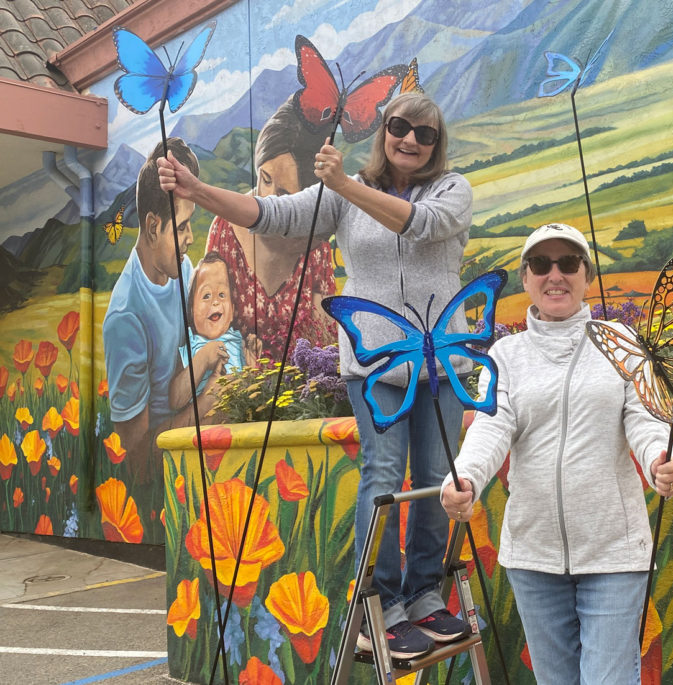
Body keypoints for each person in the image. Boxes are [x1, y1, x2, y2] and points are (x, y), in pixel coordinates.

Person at [157, 92, 473, 659]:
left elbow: (420, 227)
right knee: (383, 479)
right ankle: (384, 602)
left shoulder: (452, 190)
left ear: (436, 144)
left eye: (424, 134)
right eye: (400, 126)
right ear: (383, 131)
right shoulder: (338, 194)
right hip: (376, 363)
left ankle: (426, 595)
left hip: (442, 362)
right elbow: (272, 214)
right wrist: (199, 192)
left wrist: (346, 186)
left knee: (432, 478)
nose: (410, 140)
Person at [440, 223, 673, 684]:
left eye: (568, 263)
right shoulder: (505, 355)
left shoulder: (624, 343)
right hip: (533, 556)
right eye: (541, 264)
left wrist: (661, 461)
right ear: (526, 277)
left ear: (586, 276)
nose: (555, 274)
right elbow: (491, 425)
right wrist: (465, 477)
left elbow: (645, 417)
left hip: (614, 553)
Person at [103, 137, 221, 484]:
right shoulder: (126, 317)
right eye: (182, 227)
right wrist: (211, 400)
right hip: (168, 465)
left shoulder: (180, 270)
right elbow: (138, 455)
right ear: (153, 227)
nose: (190, 239)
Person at [204, 98, 336, 362]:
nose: (268, 200)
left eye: (285, 195)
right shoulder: (225, 230)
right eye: (264, 179)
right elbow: (206, 327)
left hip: (301, 396)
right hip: (241, 393)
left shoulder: (315, 242)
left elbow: (326, 341)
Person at [168, 252, 261, 408]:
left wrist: (252, 367)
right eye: (206, 296)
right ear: (191, 310)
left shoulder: (239, 343)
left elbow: (254, 396)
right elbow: (175, 401)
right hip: (204, 424)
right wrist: (203, 359)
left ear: (231, 311)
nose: (216, 301)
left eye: (222, 294)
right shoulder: (191, 346)